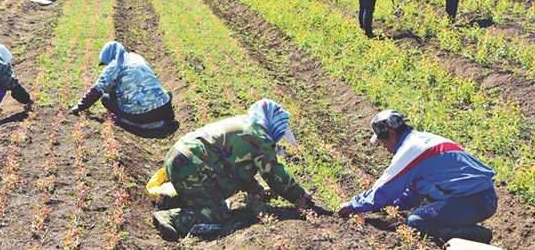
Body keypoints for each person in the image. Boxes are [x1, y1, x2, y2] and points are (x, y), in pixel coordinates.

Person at [152, 99, 312, 241]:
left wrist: (256, 189)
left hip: (178, 156)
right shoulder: (260, 138)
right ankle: (170, 218)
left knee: (215, 193)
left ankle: (171, 202)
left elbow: (236, 167)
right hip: (191, 164)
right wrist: (299, 194)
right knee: (218, 211)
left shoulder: (245, 124)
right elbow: (274, 174)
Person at [338, 110, 497, 244]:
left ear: (392, 134)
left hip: (477, 200)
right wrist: (392, 206)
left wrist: (355, 205)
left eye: (381, 141)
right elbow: (415, 193)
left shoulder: (411, 150)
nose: (384, 147)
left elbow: (385, 188)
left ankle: (477, 235)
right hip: (482, 196)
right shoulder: (420, 140)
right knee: (424, 204)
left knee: (416, 222)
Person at [69, 41, 175, 128]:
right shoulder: (137, 58)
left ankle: (139, 124)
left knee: (106, 98)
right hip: (165, 106)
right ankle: (162, 120)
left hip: (144, 114)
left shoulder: (114, 65)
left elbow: (97, 90)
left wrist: (79, 107)